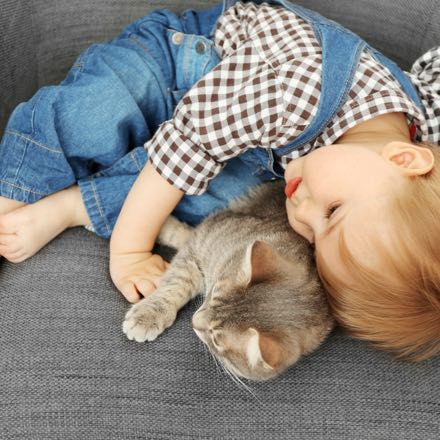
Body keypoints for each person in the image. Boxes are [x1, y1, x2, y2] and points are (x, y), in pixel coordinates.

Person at [0, 0, 439, 361]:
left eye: (317, 241)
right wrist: (130, 251)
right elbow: (182, 151)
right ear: (404, 156)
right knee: (94, 112)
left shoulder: (398, 157)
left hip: (246, 141)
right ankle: (14, 191)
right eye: (333, 211)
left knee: (220, 211)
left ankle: (76, 205)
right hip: (183, 62)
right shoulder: (293, 90)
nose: (303, 214)